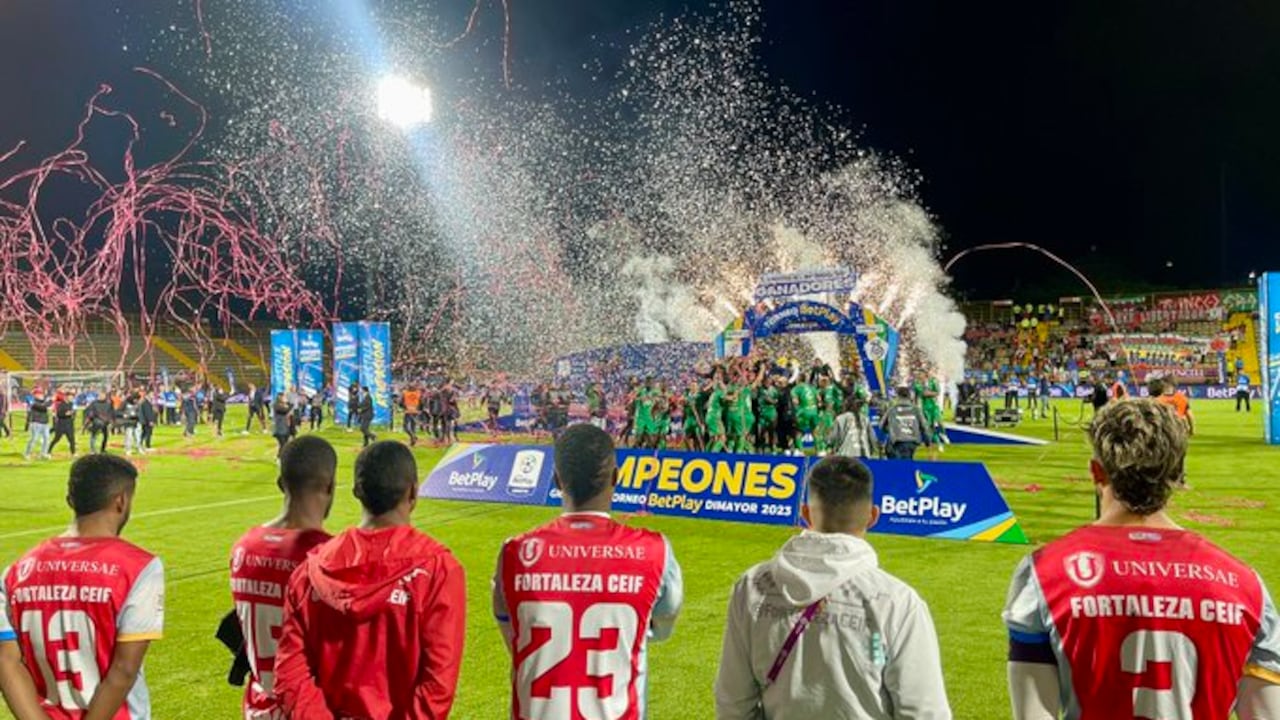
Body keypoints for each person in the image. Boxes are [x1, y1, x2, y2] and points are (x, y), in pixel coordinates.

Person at [1003, 399, 1280, 720]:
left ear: (1096, 471)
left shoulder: (1043, 573)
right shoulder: (1246, 587)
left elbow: (1033, 714)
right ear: (1177, 473)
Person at [715, 456, 950, 719]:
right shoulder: (896, 600)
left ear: (805, 514)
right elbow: (924, 711)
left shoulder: (751, 586)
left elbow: (732, 702)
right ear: (873, 517)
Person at [493, 424, 683, 719]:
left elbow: (513, 634)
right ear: (617, 478)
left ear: (557, 480)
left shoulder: (513, 554)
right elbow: (660, 628)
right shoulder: (655, 552)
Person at [275, 441, 467, 719]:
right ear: (414, 492)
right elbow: (438, 682)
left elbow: (289, 672)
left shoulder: (310, 571)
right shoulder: (438, 570)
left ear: (356, 491)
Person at [0, 454, 164, 718]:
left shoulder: (16, 571)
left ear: (71, 501)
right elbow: (123, 670)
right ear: (121, 501)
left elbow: (6, 661)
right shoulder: (139, 567)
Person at [229, 436, 336, 720]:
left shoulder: (243, 547)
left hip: (258, 706)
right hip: (309, 708)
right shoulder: (331, 557)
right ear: (330, 486)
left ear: (280, 484)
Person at [880, 386, 931, 460]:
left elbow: (882, 425)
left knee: (899, 464)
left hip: (897, 441)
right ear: (909, 396)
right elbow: (924, 427)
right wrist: (928, 442)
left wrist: (890, 430)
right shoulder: (916, 410)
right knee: (907, 462)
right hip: (912, 441)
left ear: (898, 396)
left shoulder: (892, 410)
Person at [829, 394, 878, 459]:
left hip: (846, 457)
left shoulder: (840, 418)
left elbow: (832, 439)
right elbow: (873, 440)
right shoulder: (866, 419)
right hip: (865, 456)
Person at [47, 390, 77, 458]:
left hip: (69, 425)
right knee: (56, 439)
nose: (71, 398)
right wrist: (65, 414)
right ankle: (48, 451)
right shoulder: (61, 404)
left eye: (72, 397)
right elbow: (58, 414)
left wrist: (73, 415)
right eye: (70, 397)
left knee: (72, 439)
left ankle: (73, 453)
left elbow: (74, 412)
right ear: (66, 397)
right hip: (61, 425)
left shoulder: (72, 404)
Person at [23, 388, 51, 461]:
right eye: (38, 393)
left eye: (41, 393)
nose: (41, 395)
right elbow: (42, 407)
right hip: (36, 422)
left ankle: (43, 454)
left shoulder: (44, 401)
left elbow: (46, 405)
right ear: (35, 395)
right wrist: (50, 401)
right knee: (34, 439)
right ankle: (27, 453)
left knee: (46, 439)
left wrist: (49, 401)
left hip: (45, 422)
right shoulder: (33, 402)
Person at [87, 390, 114, 454]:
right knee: (94, 436)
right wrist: (92, 418)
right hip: (96, 422)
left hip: (105, 422)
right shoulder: (94, 403)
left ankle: (103, 449)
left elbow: (111, 412)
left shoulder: (108, 403)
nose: (102, 397)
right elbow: (90, 412)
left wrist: (110, 420)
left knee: (105, 437)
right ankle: (92, 450)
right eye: (100, 395)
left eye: (103, 395)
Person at [272, 393, 293, 460]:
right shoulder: (276, 405)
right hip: (279, 428)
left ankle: (281, 457)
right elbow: (285, 410)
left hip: (285, 427)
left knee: (285, 444)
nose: (285, 398)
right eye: (283, 397)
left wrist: (287, 402)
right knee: (283, 444)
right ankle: (279, 458)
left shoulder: (285, 405)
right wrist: (287, 404)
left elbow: (291, 405)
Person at [121, 391, 142, 456]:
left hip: (136, 421)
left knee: (138, 437)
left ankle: (138, 448)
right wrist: (124, 415)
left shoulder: (138, 404)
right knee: (129, 437)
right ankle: (128, 450)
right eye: (135, 399)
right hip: (128, 422)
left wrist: (137, 415)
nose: (136, 401)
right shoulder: (125, 403)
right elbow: (118, 411)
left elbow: (140, 412)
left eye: (137, 399)